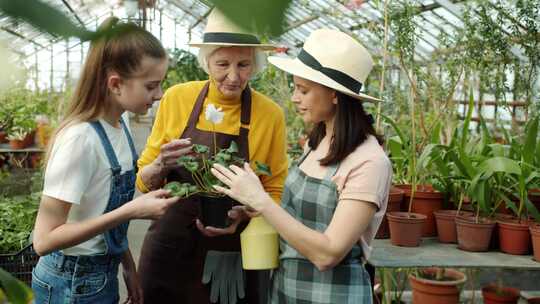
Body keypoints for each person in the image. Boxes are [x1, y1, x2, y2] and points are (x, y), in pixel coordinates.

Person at [211, 29, 392, 304]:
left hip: (334, 295)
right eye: (295, 87)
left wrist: (262, 202)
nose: (295, 98)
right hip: (286, 289)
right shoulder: (315, 144)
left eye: (303, 90)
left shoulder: (369, 162)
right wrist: (253, 212)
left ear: (334, 95)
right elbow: (298, 219)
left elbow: (328, 254)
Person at [136, 8, 288, 304]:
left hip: (232, 249)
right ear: (206, 62)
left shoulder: (269, 114)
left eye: (244, 64)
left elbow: (275, 189)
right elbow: (143, 182)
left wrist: (247, 213)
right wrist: (159, 165)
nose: (233, 76)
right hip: (169, 247)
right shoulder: (178, 98)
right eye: (222, 64)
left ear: (255, 66)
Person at [31, 17, 180, 304]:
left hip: (101, 275)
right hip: (69, 284)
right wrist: (130, 211)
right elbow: (44, 240)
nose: (159, 95)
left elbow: (100, 208)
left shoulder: (119, 125)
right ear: (115, 84)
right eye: (151, 86)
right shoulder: (80, 140)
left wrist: (127, 264)